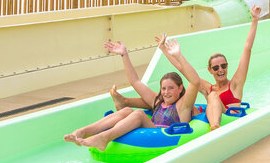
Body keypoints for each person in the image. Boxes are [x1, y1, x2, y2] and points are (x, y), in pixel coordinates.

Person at [64, 36, 202, 151]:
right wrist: (124, 54)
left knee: (139, 114)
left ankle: (104, 138)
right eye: (163, 88)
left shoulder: (183, 105)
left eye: (170, 88)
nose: (166, 92)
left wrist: (178, 55)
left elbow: (195, 82)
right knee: (127, 110)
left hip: (163, 137)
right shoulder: (158, 101)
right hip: (150, 132)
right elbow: (135, 82)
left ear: (180, 88)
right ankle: (83, 131)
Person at [157, 5, 261, 129]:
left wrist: (255, 20)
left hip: (229, 118)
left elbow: (247, 49)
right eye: (216, 68)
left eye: (223, 66)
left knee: (212, 95)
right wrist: (164, 49)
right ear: (210, 70)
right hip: (210, 114)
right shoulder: (208, 87)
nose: (221, 70)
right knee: (196, 103)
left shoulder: (235, 85)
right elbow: (182, 69)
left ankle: (215, 126)